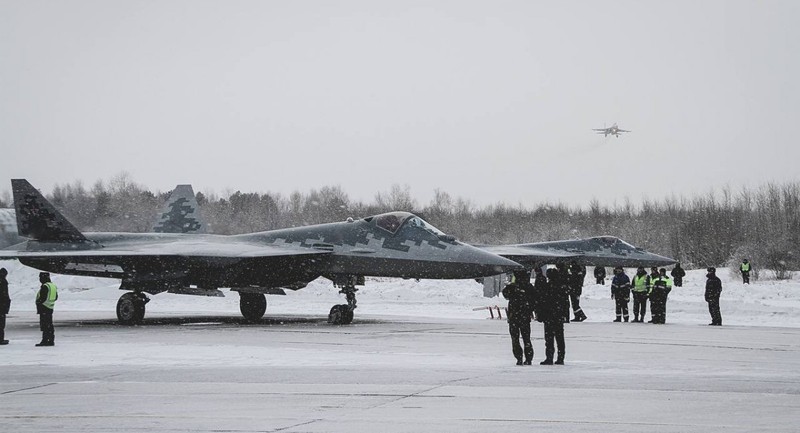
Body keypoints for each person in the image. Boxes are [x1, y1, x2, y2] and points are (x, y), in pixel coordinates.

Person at [535, 268, 567, 365]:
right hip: (557, 316)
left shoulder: (547, 287)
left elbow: (542, 301)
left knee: (549, 339)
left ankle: (549, 357)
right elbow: (565, 302)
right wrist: (564, 314)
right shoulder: (561, 287)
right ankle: (560, 358)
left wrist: (540, 314)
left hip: (549, 316)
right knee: (559, 338)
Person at [502, 271, 533, 365]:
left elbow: (505, 294)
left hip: (514, 316)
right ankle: (528, 358)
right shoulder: (528, 287)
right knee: (526, 338)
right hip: (524, 316)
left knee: (515, 338)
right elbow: (534, 299)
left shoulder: (512, 287)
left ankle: (519, 357)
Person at [35, 272, 57, 347]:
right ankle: (51, 340)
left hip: (44, 308)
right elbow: (56, 297)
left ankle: (45, 340)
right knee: (49, 324)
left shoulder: (45, 286)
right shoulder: (52, 286)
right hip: (50, 307)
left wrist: (39, 302)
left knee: (45, 325)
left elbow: (42, 298)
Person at [0, 268, 9, 345]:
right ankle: (1, 339)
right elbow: (4, 296)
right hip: (2, 306)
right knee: (1, 324)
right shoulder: (3, 282)